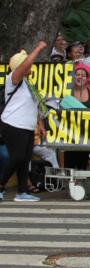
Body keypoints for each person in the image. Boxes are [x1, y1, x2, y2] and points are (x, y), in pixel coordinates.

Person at [0, 42, 47, 202]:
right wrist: (39, 48)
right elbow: (23, 66)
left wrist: (39, 124)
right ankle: (1, 186)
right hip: (13, 124)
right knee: (17, 158)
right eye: (27, 64)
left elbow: (35, 105)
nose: (31, 66)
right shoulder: (12, 79)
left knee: (25, 160)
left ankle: (22, 192)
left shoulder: (28, 84)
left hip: (27, 126)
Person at [63, 63, 90, 172]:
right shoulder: (67, 93)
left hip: (87, 132)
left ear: (87, 79)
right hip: (70, 132)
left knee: (82, 160)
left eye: (83, 76)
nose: (80, 77)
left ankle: (79, 181)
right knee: (69, 160)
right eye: (77, 75)